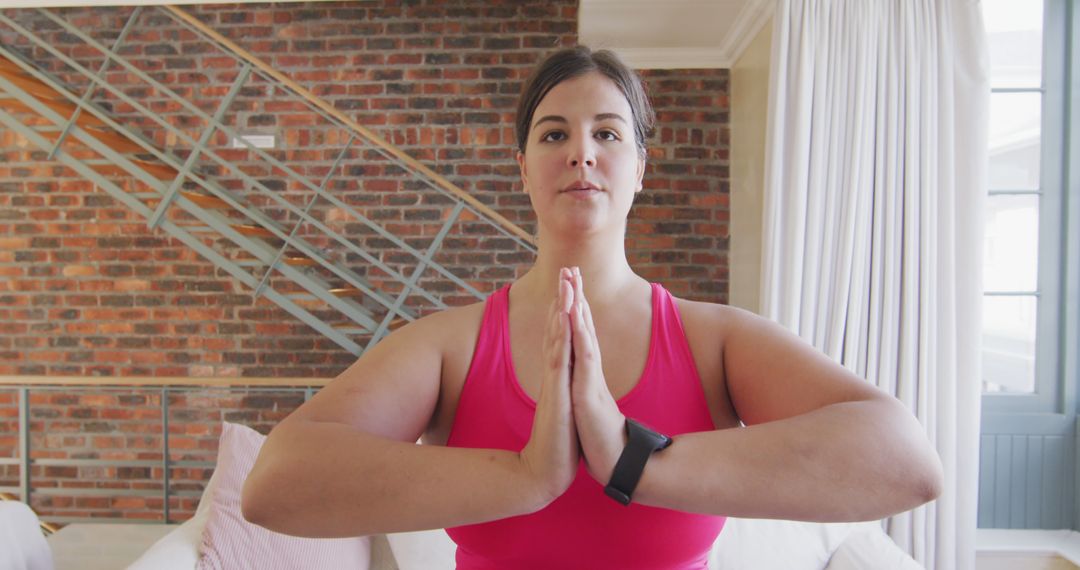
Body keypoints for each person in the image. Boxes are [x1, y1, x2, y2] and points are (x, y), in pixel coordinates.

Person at [241, 46, 943, 569]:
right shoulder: (448, 347)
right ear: (523, 167)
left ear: (640, 166)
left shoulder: (714, 341)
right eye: (553, 134)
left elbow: (908, 463)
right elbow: (275, 484)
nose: (581, 151)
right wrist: (527, 475)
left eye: (608, 133)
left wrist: (624, 459)